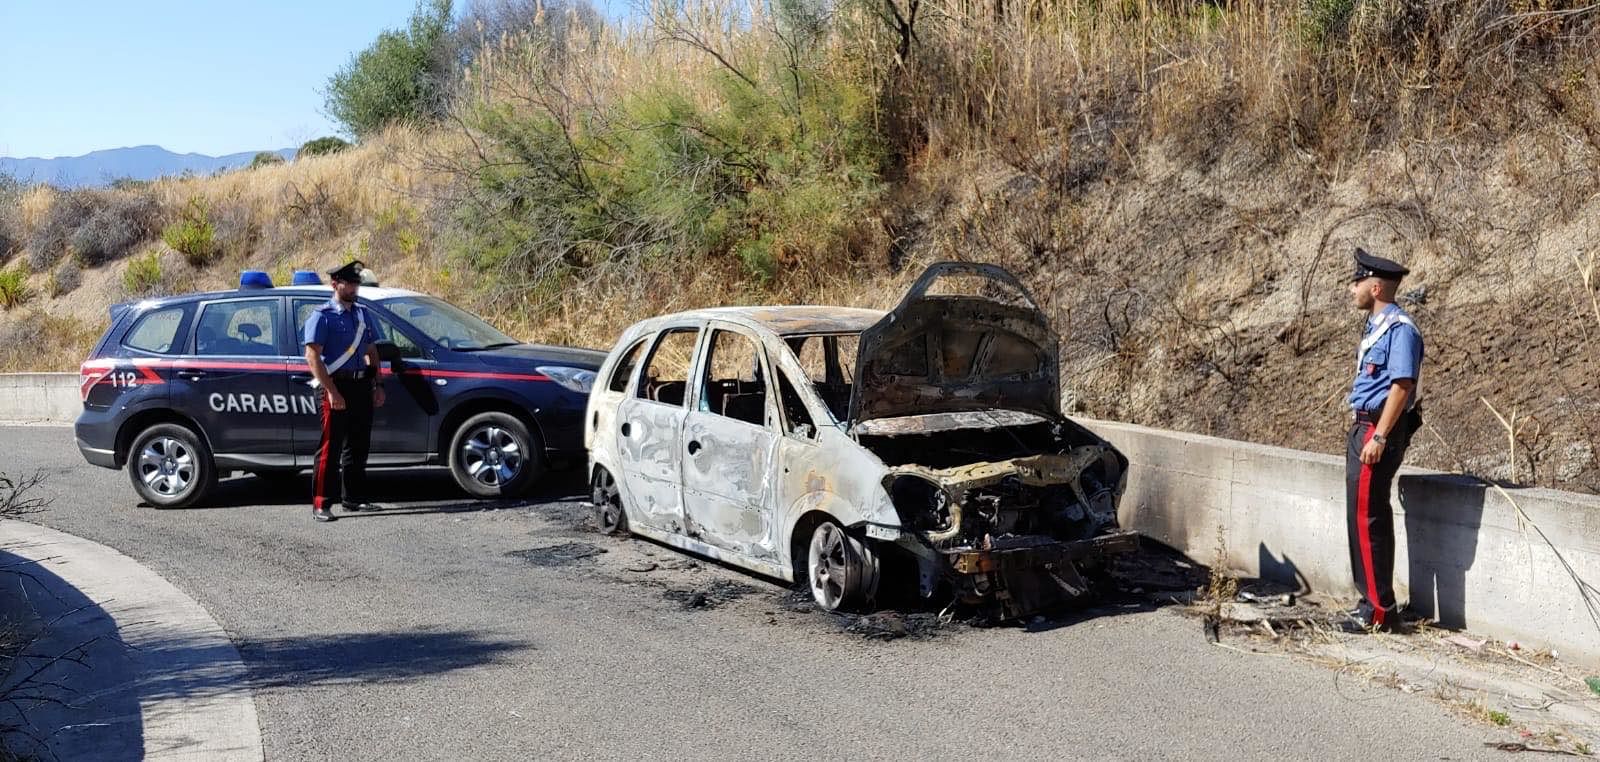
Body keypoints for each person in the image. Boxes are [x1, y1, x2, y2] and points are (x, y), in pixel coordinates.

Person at [1343, 248, 1424, 632]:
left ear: (1375, 287)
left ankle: (1378, 612)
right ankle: (1370, 602)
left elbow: (1402, 386)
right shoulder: (1377, 327)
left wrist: (1379, 436)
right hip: (1364, 427)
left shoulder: (1401, 330)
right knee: (1359, 518)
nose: (1352, 288)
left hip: (1378, 431)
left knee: (1369, 518)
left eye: (1357, 282)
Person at [303, 260, 386, 522]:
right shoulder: (322, 315)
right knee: (331, 447)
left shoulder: (362, 314)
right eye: (349, 283)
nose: (353, 287)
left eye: (356, 283)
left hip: (361, 384)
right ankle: (321, 504)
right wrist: (331, 391)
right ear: (335, 284)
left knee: (359, 445)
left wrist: (378, 384)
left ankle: (354, 498)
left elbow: (372, 352)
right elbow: (312, 356)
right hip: (335, 385)